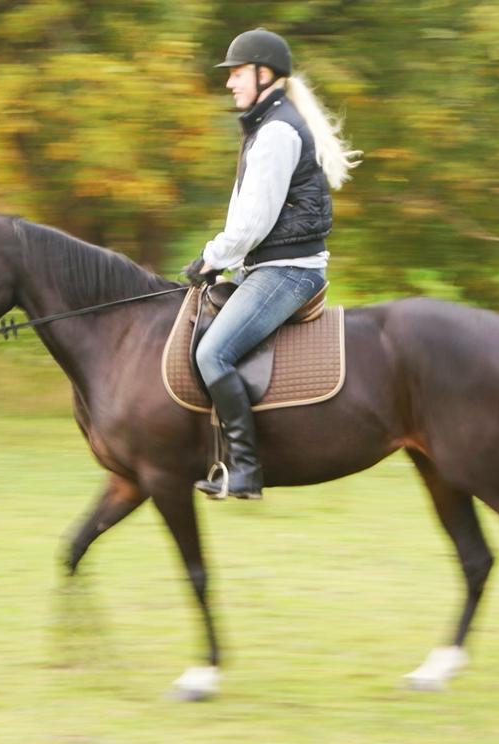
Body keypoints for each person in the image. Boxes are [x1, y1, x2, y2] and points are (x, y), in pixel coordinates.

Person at [183, 28, 360, 500]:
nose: (229, 83)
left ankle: (245, 469)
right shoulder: (267, 125)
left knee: (211, 354)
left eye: (237, 73)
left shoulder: (278, 131)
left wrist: (210, 257)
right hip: (264, 267)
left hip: (287, 271)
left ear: (265, 75)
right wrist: (222, 263)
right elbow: (246, 216)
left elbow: (253, 223)